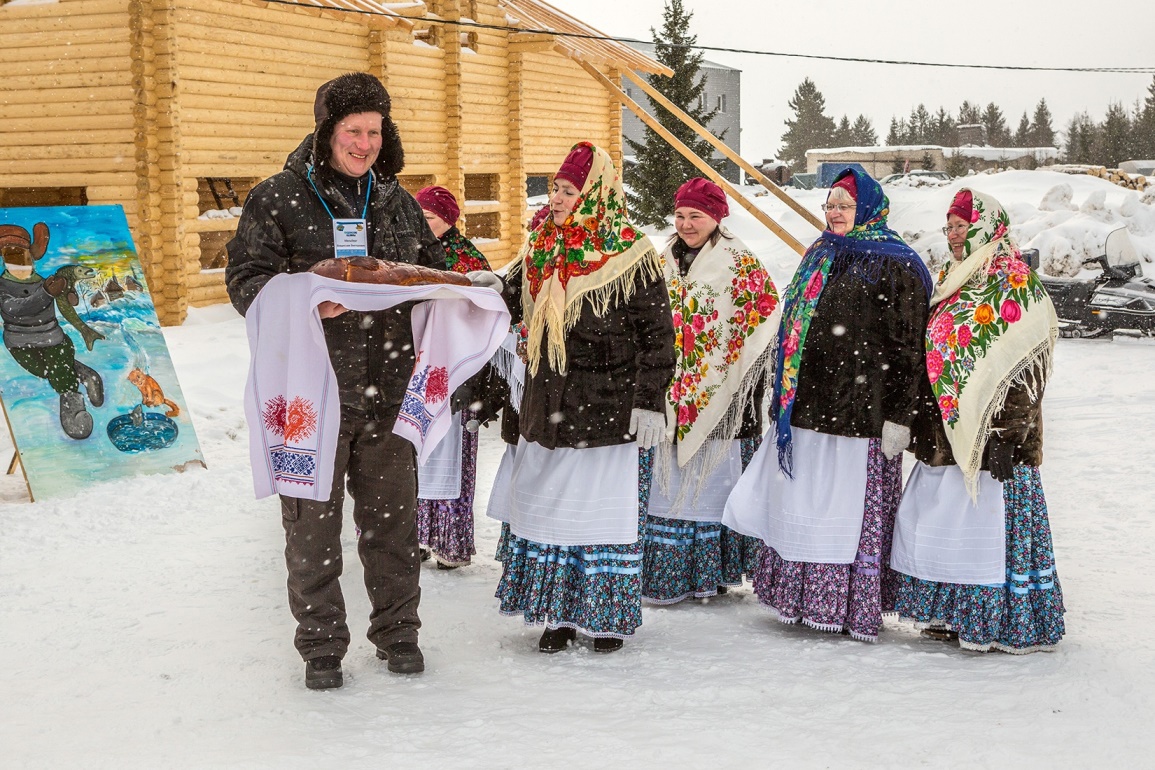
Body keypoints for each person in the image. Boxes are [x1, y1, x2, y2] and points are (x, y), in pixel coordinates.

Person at [226, 72, 448, 689]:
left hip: (390, 392)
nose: (365, 143)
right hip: (310, 395)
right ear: (327, 132)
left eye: (375, 131)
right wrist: (305, 301)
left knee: (393, 527)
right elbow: (245, 282)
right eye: (353, 130)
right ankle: (321, 647)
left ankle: (399, 633)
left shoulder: (397, 201)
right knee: (311, 530)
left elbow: (427, 275)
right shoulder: (277, 197)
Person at [723, 167, 932, 642]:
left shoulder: (898, 263)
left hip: (863, 413)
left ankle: (846, 603)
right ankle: (800, 597)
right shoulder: (821, 253)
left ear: (868, 209)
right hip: (809, 407)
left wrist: (901, 415)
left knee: (843, 510)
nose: (834, 213)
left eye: (844, 205)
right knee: (806, 504)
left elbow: (908, 347)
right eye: (830, 205)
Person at [485, 142, 675, 653]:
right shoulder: (543, 245)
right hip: (549, 403)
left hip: (608, 406)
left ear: (595, 193)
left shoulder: (631, 252)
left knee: (600, 512)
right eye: (556, 188)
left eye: (569, 189)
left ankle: (605, 618)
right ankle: (558, 615)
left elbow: (658, 333)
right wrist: (481, 288)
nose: (560, 197)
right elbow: (511, 299)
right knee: (551, 510)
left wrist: (648, 398)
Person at [890, 188, 1065, 653]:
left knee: (985, 528)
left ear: (987, 227)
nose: (952, 235)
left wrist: (1008, 435)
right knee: (946, 526)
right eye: (948, 226)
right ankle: (952, 613)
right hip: (947, 435)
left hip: (995, 441)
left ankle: (999, 620)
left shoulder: (1015, 284)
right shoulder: (953, 278)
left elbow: (1026, 366)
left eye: (961, 226)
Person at [643, 178, 779, 605]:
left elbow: (764, 321)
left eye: (695, 216)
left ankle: (711, 575)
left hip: (722, 394)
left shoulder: (739, 262)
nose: (685, 224)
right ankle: (668, 576)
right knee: (669, 486)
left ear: (716, 218)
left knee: (710, 485)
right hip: (669, 391)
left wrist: (738, 376)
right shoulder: (662, 259)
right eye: (680, 215)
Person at [412, 185, 493, 569]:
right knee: (415, 454)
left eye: (428, 217)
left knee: (451, 456)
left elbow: (485, 315)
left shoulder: (468, 260)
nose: (422, 224)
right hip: (416, 367)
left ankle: (449, 541)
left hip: (456, 371)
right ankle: (416, 537)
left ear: (448, 220)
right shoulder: (408, 252)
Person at [0, 223, 104, 439]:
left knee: (60, 373)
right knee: (46, 371)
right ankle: (86, 374)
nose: (19, 263)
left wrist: (67, 295)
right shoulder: (3, 287)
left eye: (23, 257)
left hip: (53, 338)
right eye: (12, 258)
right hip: (20, 343)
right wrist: (47, 292)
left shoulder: (44, 282)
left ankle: (73, 412)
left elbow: (63, 299)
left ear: (31, 258)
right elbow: (15, 309)